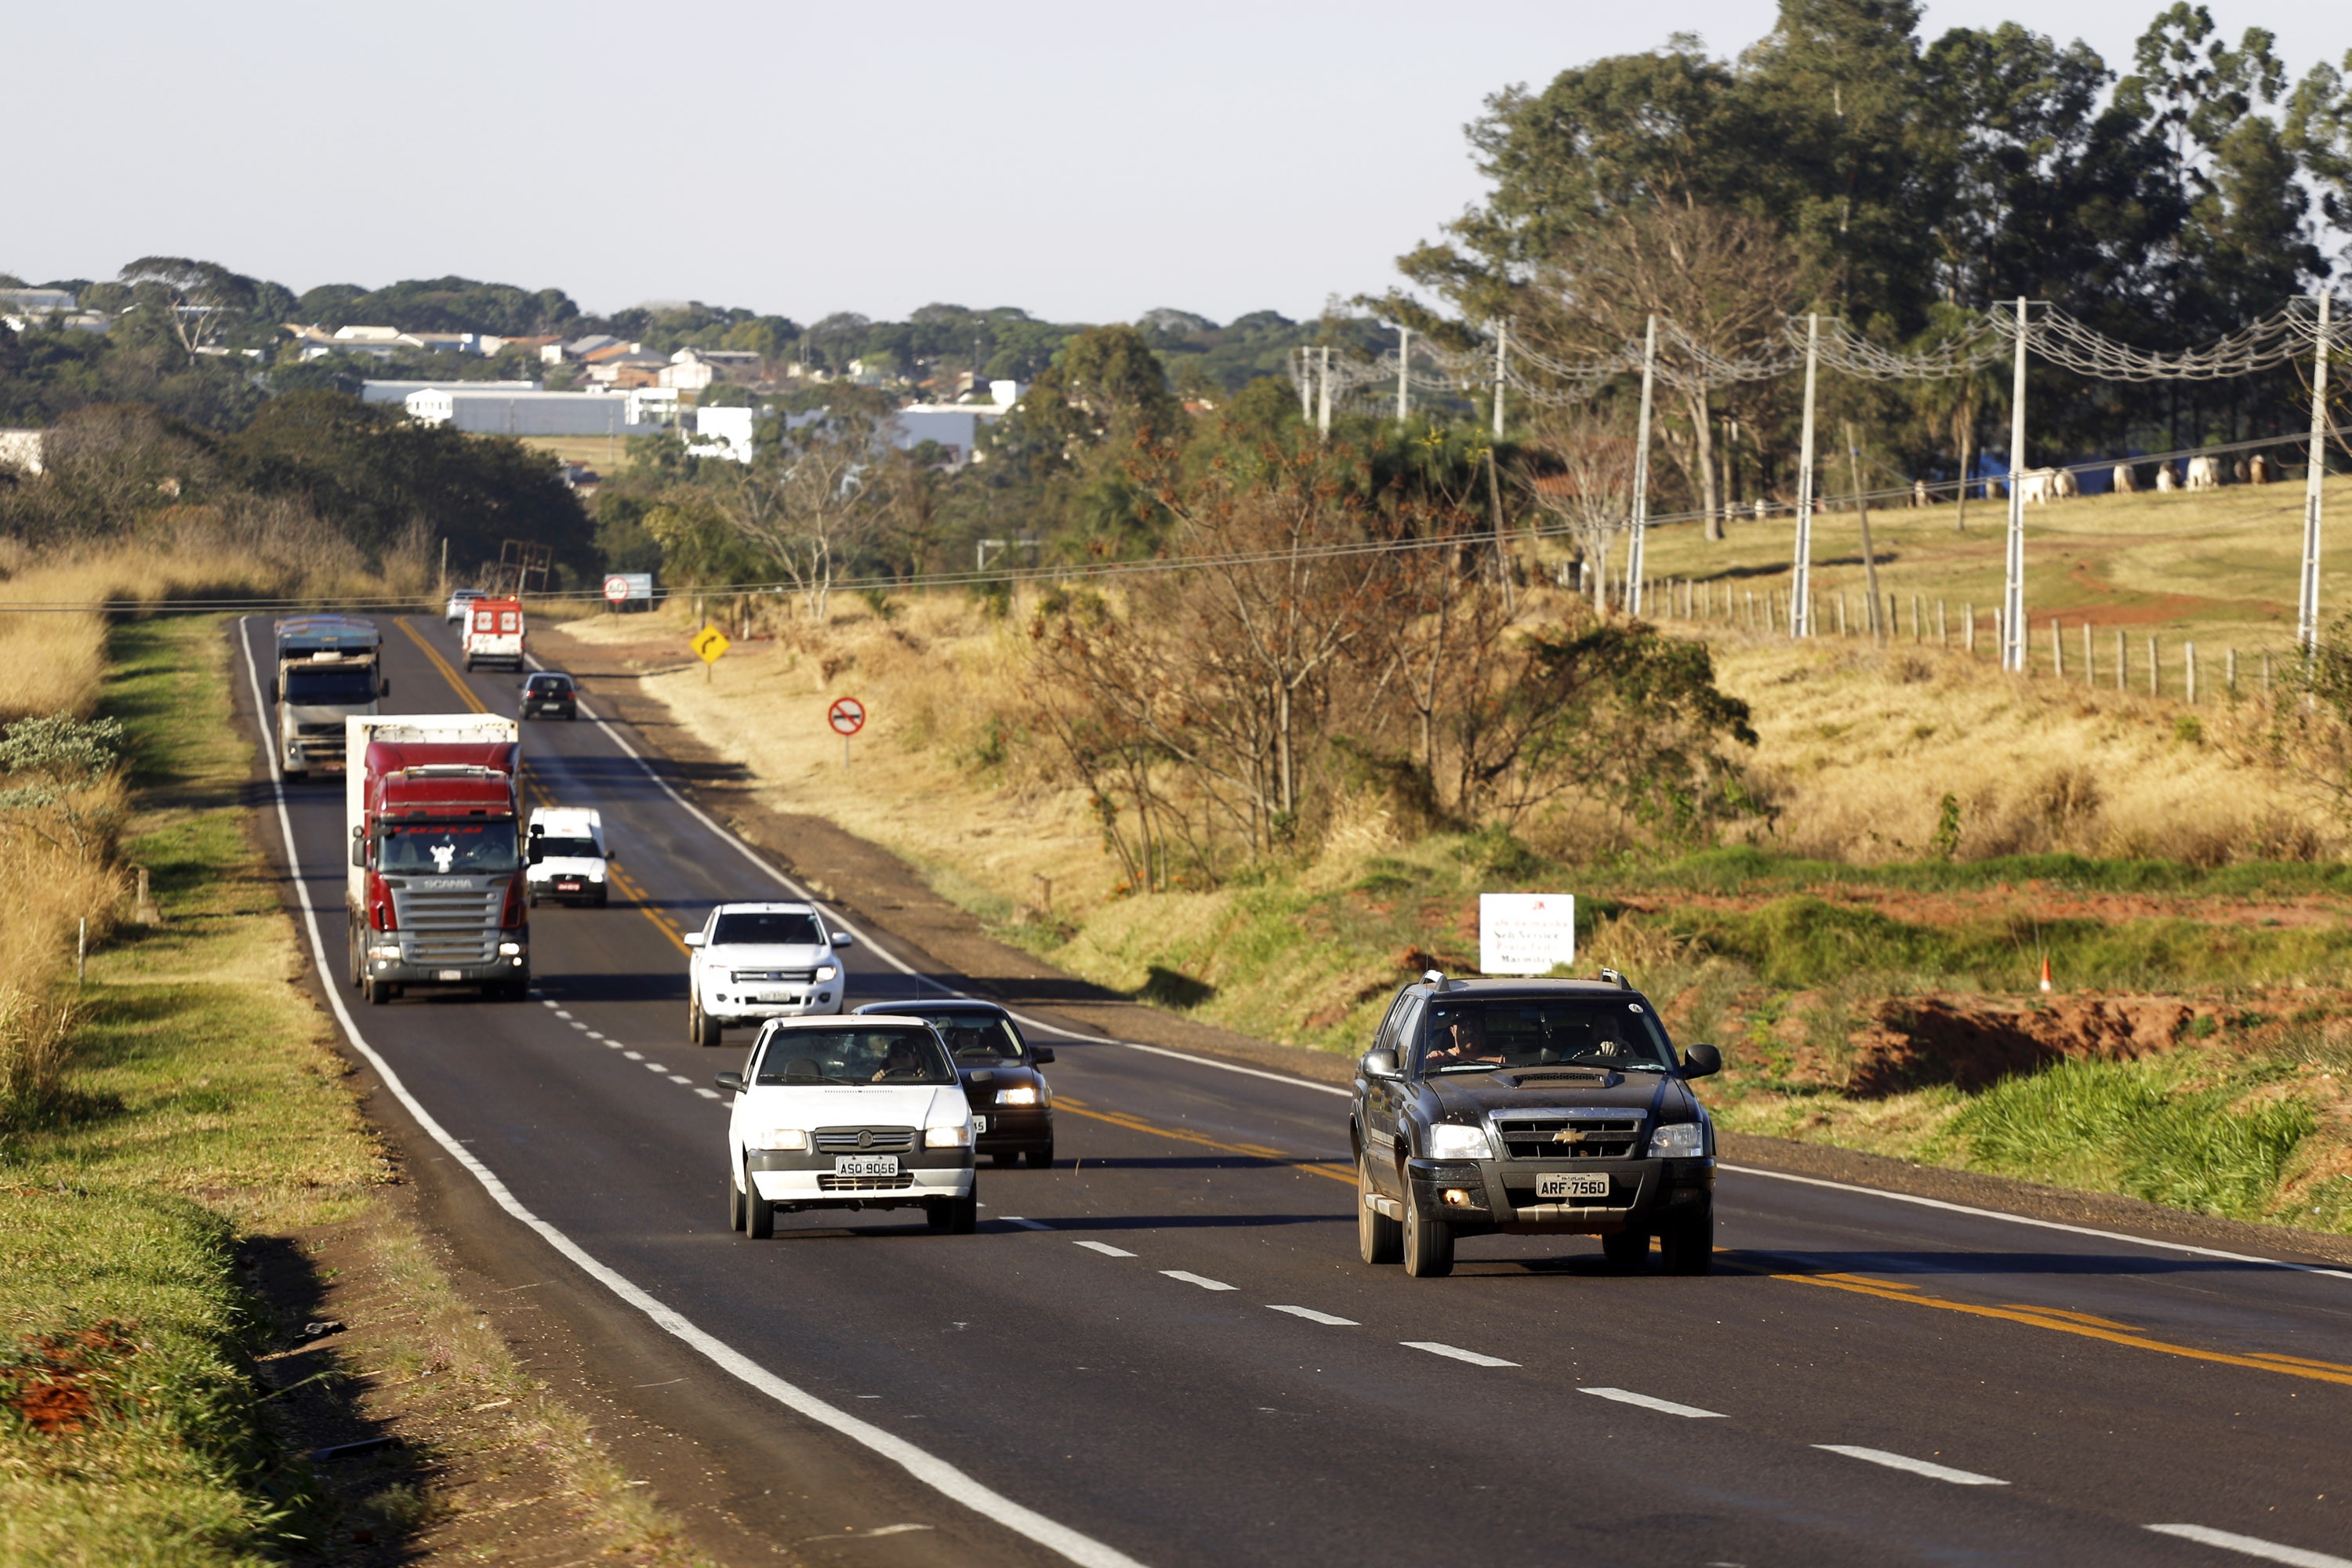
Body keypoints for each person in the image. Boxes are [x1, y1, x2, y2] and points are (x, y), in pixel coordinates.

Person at [1421, 1018, 1499, 1071]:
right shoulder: (1436, 1059)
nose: (1470, 1031)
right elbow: (1420, 1076)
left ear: (1482, 1030)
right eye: (1463, 1026)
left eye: (1475, 1026)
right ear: (1453, 1031)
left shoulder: (1499, 1060)